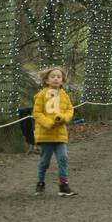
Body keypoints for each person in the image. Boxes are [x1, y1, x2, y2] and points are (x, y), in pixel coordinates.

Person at [33, 66, 76, 196]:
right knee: (44, 161)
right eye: (53, 76)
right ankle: (40, 183)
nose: (56, 79)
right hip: (45, 135)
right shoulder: (41, 95)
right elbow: (37, 113)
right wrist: (48, 123)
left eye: (59, 77)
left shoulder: (65, 96)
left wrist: (63, 118)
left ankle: (63, 185)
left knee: (63, 159)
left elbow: (70, 110)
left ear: (62, 80)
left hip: (60, 135)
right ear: (46, 80)